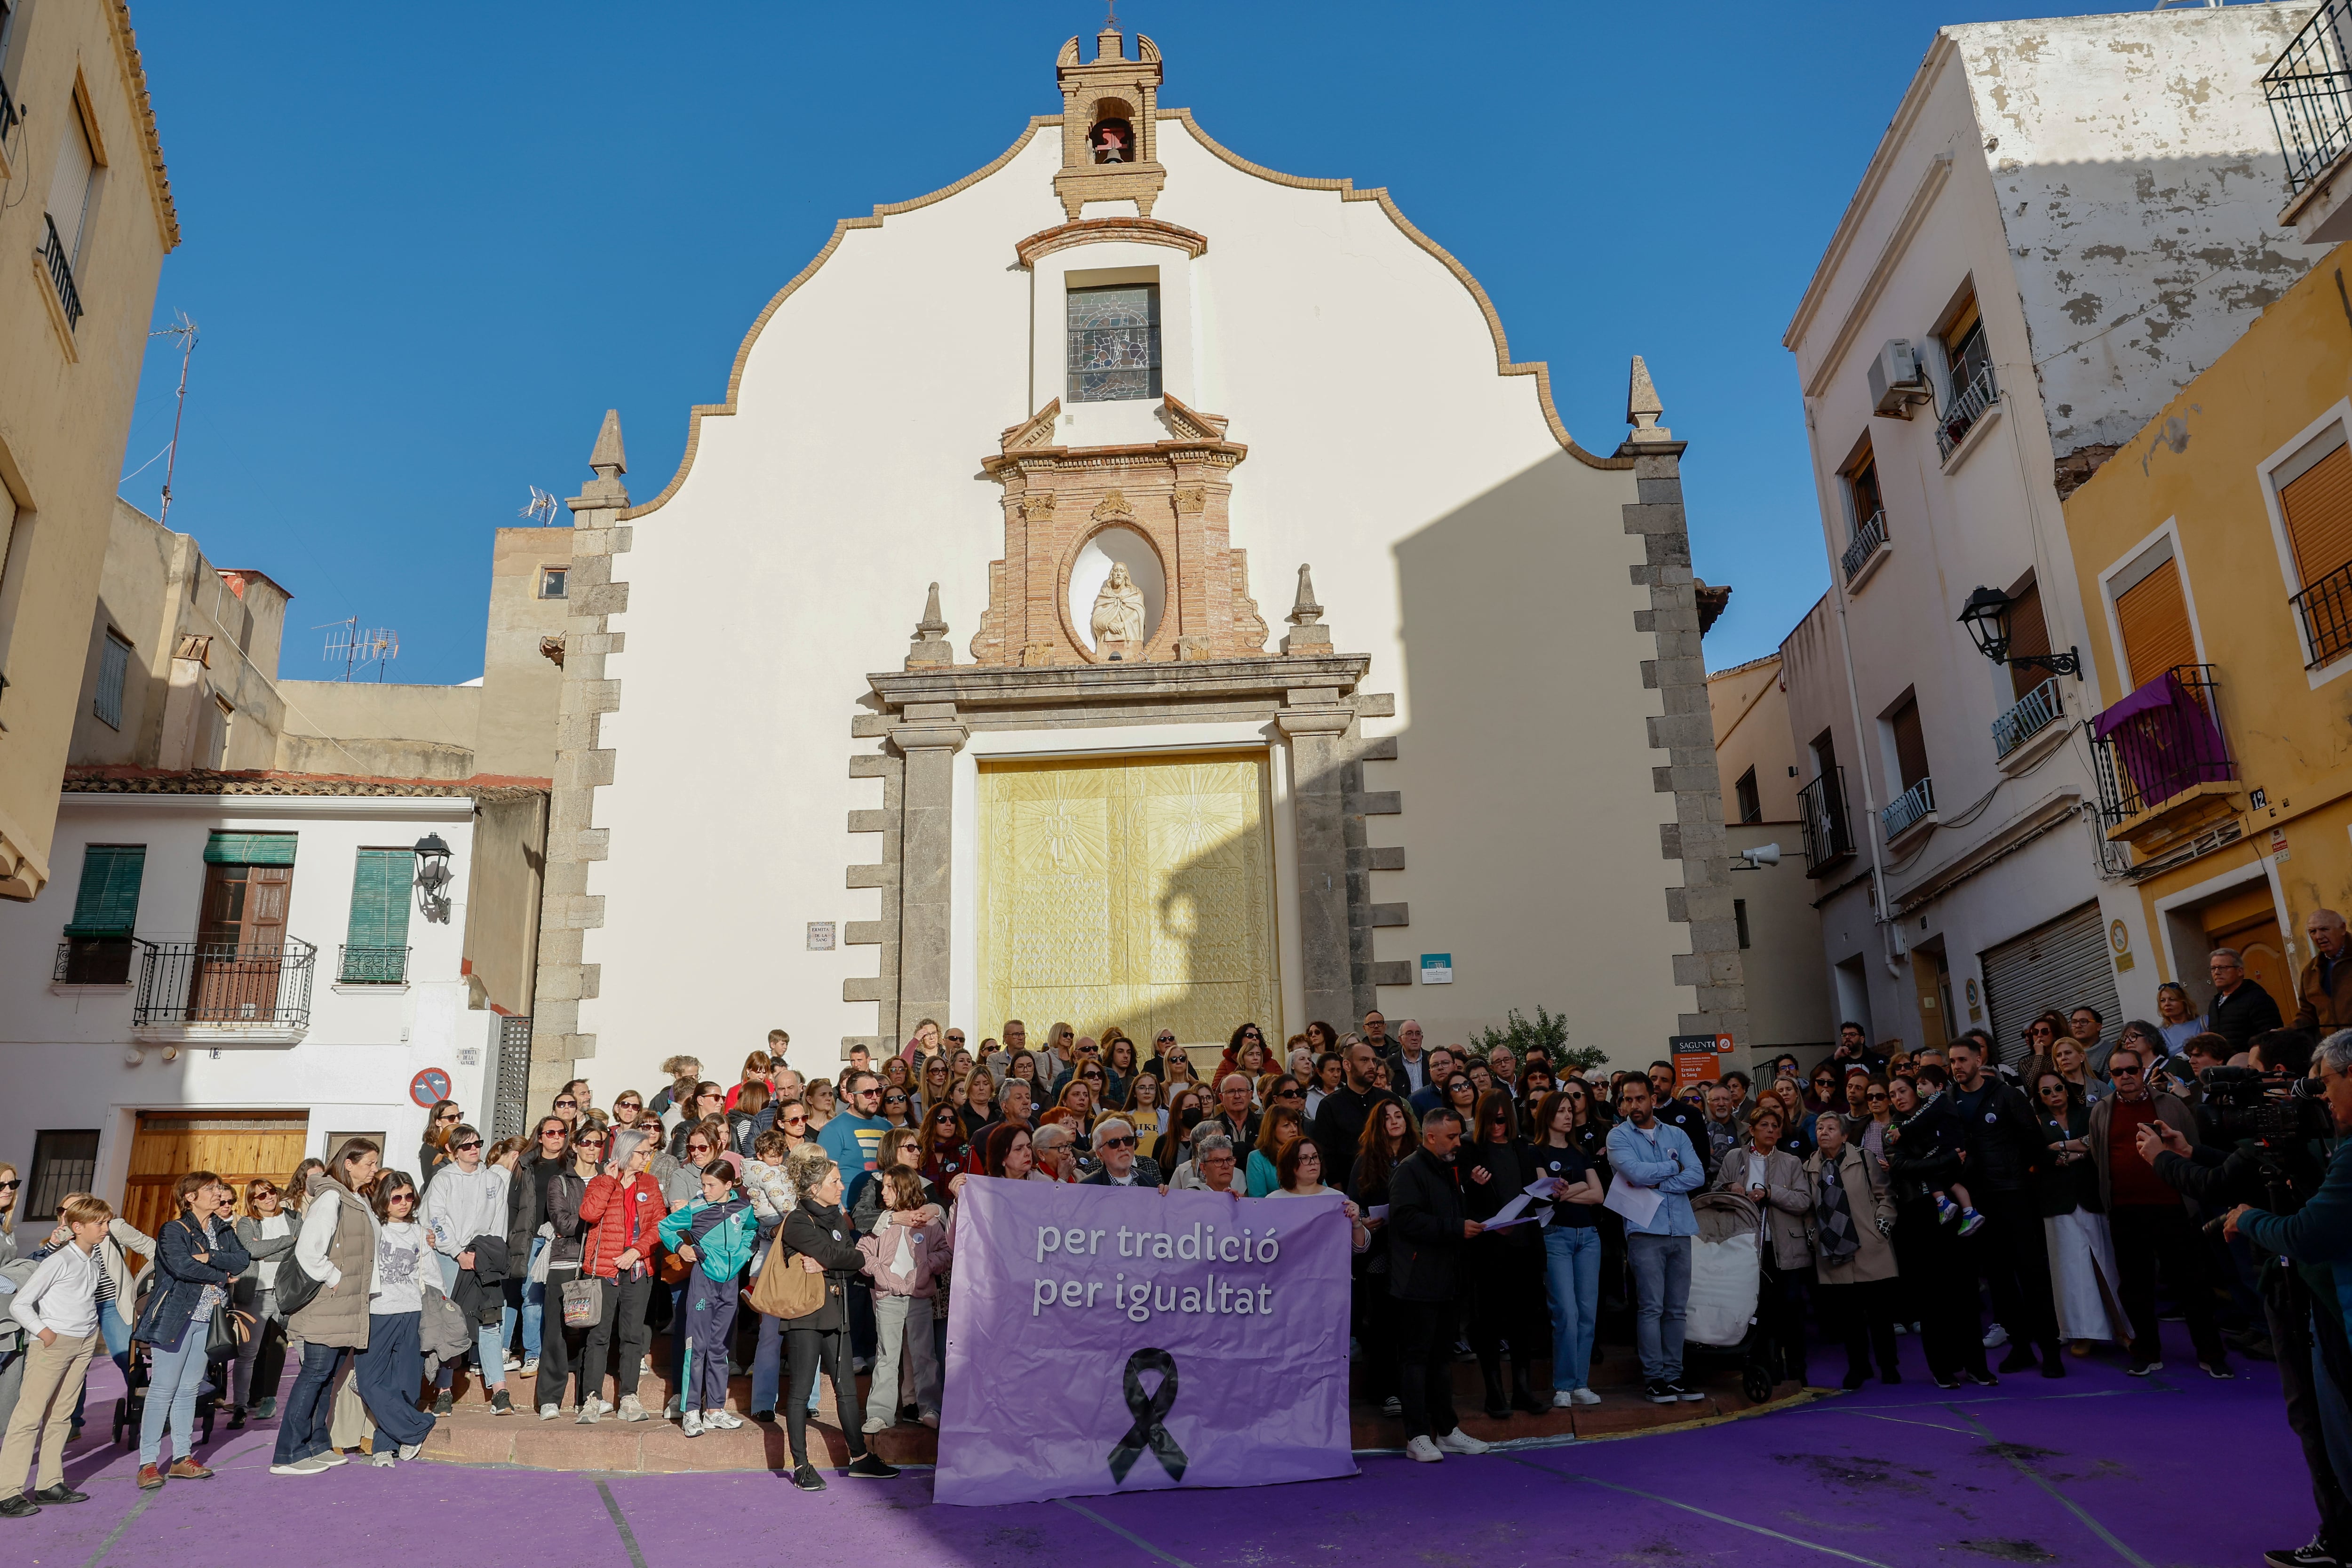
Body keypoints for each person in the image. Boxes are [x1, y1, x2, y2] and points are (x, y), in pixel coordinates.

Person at [2089, 1043, 2228, 1377]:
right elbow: (2099, 1155)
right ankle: (2146, 1351)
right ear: (2111, 1077)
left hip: (2174, 1209)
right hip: (2125, 1212)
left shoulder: (2172, 1106)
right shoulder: (2101, 1111)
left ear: (2143, 1071)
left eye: (2132, 1070)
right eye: (2118, 1072)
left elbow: (2190, 1148)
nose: (2126, 1077)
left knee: (2193, 1284)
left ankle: (2211, 1353)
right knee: (2135, 1288)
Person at [778, 1144, 898, 1490]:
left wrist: (831, 1263)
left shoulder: (834, 1218)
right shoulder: (798, 1220)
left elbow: (856, 1259)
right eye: (835, 1180)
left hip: (837, 1310)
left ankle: (859, 1458)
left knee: (847, 1389)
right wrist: (836, 1259)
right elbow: (839, 1254)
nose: (841, 1185)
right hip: (805, 1315)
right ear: (815, 1187)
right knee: (800, 1392)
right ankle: (801, 1464)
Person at [1949, 1035, 2065, 1377]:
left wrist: (2019, 1173)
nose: (1957, 1066)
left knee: (2032, 1274)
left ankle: (2050, 1348)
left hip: (2013, 1194)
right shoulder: (1948, 1102)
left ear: (1977, 1059)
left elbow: (2034, 1142)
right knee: (1999, 1280)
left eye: (1962, 1060)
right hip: (1976, 1200)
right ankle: (2020, 1346)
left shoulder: (2006, 1096)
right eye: (1952, 1061)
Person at [125, 1170, 247, 1490]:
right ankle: (148, 1463)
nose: (218, 1192)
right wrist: (221, 1275)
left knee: (190, 1388)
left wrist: (209, 1256)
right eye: (210, 1188)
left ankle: (181, 1458)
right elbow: (182, 1265)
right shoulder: (173, 1229)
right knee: (163, 1387)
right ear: (190, 1197)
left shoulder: (221, 1228)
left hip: (209, 1317)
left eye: (218, 1187)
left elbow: (243, 1258)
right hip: (176, 1316)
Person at [1386, 1107, 1494, 1464]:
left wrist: (1477, 1217)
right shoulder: (1410, 1170)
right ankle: (1417, 1435)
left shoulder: (1449, 1169)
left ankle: (1447, 1431)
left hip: (1447, 1278)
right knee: (1416, 1359)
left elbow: (1454, 1214)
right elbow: (1404, 1219)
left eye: (1459, 1136)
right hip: (1417, 1280)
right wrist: (1455, 1228)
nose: (1458, 1143)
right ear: (1430, 1137)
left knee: (1440, 1359)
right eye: (1451, 1137)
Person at [0, 1192, 113, 1516]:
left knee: (62, 1415)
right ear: (77, 1226)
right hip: (53, 1344)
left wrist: (90, 1334)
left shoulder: (92, 1258)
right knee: (29, 1417)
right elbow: (21, 1303)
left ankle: (50, 1483)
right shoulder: (59, 1260)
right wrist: (44, 1332)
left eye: (106, 1222)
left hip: (82, 1342)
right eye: (100, 1223)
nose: (105, 1228)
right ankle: (7, 1491)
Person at [1607, 1077, 1706, 1404]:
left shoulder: (1676, 1133)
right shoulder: (1618, 1135)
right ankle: (1655, 1379)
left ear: (1653, 1098)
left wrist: (1659, 1181)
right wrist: (1673, 1166)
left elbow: (1699, 1174)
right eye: (1627, 1100)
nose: (1633, 1105)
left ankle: (1675, 1377)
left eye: (1639, 1098)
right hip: (1645, 1230)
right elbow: (1635, 1174)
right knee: (1651, 1307)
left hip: (1680, 1229)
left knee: (1677, 1309)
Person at [1461, 1090, 1549, 1417]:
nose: (1498, 1126)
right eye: (1492, 1119)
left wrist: (1550, 1190)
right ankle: (1494, 1393)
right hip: (1488, 1247)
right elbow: (1462, 1198)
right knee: (1489, 1322)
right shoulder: (1471, 1148)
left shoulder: (1521, 1147)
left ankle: (1524, 1390)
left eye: (1503, 1119)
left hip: (1523, 1242)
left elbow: (1530, 1192)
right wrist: (1473, 1183)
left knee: (1523, 1320)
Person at [2029, 1067, 2128, 1358]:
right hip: (2057, 1204)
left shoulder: (2089, 1113)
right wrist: (2076, 1152)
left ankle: (2122, 1328)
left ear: (2066, 1089)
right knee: (2071, 1273)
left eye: (2058, 1088)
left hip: (2093, 1199)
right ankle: (2082, 1333)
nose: (2054, 1095)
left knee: (2106, 1265)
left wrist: (2060, 1148)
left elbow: (2097, 1144)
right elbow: (2037, 1154)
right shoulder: (2036, 1123)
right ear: (2039, 1097)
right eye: (2046, 1092)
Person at [659, 1155, 756, 1436]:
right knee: (696, 1347)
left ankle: (715, 1409)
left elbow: (751, 1231)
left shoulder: (743, 1207)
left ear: (729, 1185)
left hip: (730, 1283)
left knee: (720, 1348)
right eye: (703, 1184)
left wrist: (744, 1253)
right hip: (704, 1281)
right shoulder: (696, 1208)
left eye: (711, 1185)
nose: (705, 1190)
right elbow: (665, 1227)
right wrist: (680, 1248)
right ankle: (691, 1411)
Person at [423, 1123, 513, 1415]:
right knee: (450, 1324)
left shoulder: (493, 1181)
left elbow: (499, 1223)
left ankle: (499, 1390)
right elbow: (436, 1220)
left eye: (478, 1143)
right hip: (451, 1261)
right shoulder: (443, 1180)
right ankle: (445, 1390)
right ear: (453, 1150)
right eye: (466, 1146)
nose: (474, 1150)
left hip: (482, 1259)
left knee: (489, 1321)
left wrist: (484, 1254)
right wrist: (457, 1252)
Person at [574, 1127, 662, 1424]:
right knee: (598, 1336)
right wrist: (609, 1182)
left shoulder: (649, 1183)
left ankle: (629, 1396)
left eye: (648, 1153)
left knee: (632, 1336)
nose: (646, 1158)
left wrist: (637, 1251)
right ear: (625, 1153)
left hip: (637, 1268)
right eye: (642, 1153)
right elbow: (589, 1215)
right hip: (604, 1270)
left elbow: (660, 1225)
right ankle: (592, 1398)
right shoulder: (602, 1181)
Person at [353, 1172, 440, 1467]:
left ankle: (384, 1446)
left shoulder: (419, 1232)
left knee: (405, 1384)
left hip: (412, 1310)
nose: (404, 1203)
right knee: (369, 1382)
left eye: (409, 1196)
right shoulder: (373, 1227)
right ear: (384, 1200)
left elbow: (430, 1274)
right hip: (377, 1312)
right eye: (396, 1198)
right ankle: (416, 1428)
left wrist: (436, 1307)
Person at [1524, 1091, 1605, 1408]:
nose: (1568, 1115)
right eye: (1560, 1111)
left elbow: (1598, 1195)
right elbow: (1548, 1195)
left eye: (1570, 1110)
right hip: (1556, 1236)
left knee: (1587, 1312)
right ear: (1547, 1115)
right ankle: (1563, 1385)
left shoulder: (1580, 1151)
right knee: (1566, 1312)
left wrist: (1572, 1190)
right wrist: (1579, 1187)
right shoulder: (1536, 1152)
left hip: (1588, 1236)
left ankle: (1581, 1383)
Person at [857, 1167, 952, 1433]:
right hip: (888, 1297)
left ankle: (930, 1408)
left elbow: (946, 1253)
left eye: (889, 1187)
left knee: (924, 1355)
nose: (883, 1192)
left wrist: (925, 1268)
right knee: (887, 1356)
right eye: (883, 1186)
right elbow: (863, 1252)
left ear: (904, 1188)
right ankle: (880, 1414)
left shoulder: (928, 1222)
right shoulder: (883, 1220)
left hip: (919, 1297)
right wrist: (881, 1273)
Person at [1807, 1114, 1899, 1388]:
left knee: (1880, 1315)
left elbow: (1886, 1195)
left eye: (1831, 1129)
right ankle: (1859, 1368)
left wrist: (1882, 1226)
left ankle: (1889, 1366)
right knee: (1850, 1318)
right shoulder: (1809, 1166)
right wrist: (1814, 1236)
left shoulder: (1864, 1158)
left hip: (1870, 1246)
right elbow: (1808, 1210)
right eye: (1820, 1128)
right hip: (1833, 1249)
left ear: (1845, 1136)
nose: (1824, 1132)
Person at [529, 1125, 594, 1419]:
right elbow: (562, 1222)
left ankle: (585, 1397)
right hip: (564, 1261)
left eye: (598, 1143)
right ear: (576, 1146)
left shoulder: (607, 1180)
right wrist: (595, 1224)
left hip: (595, 1263)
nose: (593, 1148)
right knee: (555, 1330)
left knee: (590, 1330)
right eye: (587, 1142)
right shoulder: (561, 1181)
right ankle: (549, 1399)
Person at [228, 1179, 297, 1427]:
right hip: (255, 1295)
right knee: (248, 1354)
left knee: (303, 1347)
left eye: (271, 1192)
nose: (269, 1198)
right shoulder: (247, 1223)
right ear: (252, 1201)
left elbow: (301, 1250)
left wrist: (266, 1248)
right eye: (261, 1196)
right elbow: (250, 1250)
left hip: (287, 1293)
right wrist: (289, 1240)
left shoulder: (293, 1217)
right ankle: (240, 1406)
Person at [2209, 945, 2287, 1051]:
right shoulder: (2214, 1003)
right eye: (2213, 968)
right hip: (2223, 1066)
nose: (2217, 973)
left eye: (2223, 968)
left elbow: (2271, 1038)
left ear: (2240, 971)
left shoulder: (2258, 998)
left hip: (2250, 1064)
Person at [1248, 1105, 1305, 1197]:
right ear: (1272, 1129)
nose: (1294, 1129)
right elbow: (1258, 1199)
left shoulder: (1308, 1153)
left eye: (1295, 1124)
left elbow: (1322, 1188)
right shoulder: (1257, 1158)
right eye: (1287, 1125)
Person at [1085, 1117, 1161, 1187]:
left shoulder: (1148, 1180)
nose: (1123, 1148)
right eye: (1114, 1142)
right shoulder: (1088, 1187)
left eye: (1127, 1140)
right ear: (1100, 1154)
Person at [419, 1100, 462, 1192]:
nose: (457, 1120)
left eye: (459, 1116)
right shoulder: (429, 1149)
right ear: (438, 1122)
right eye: (451, 1117)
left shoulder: (461, 1144)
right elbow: (430, 1182)